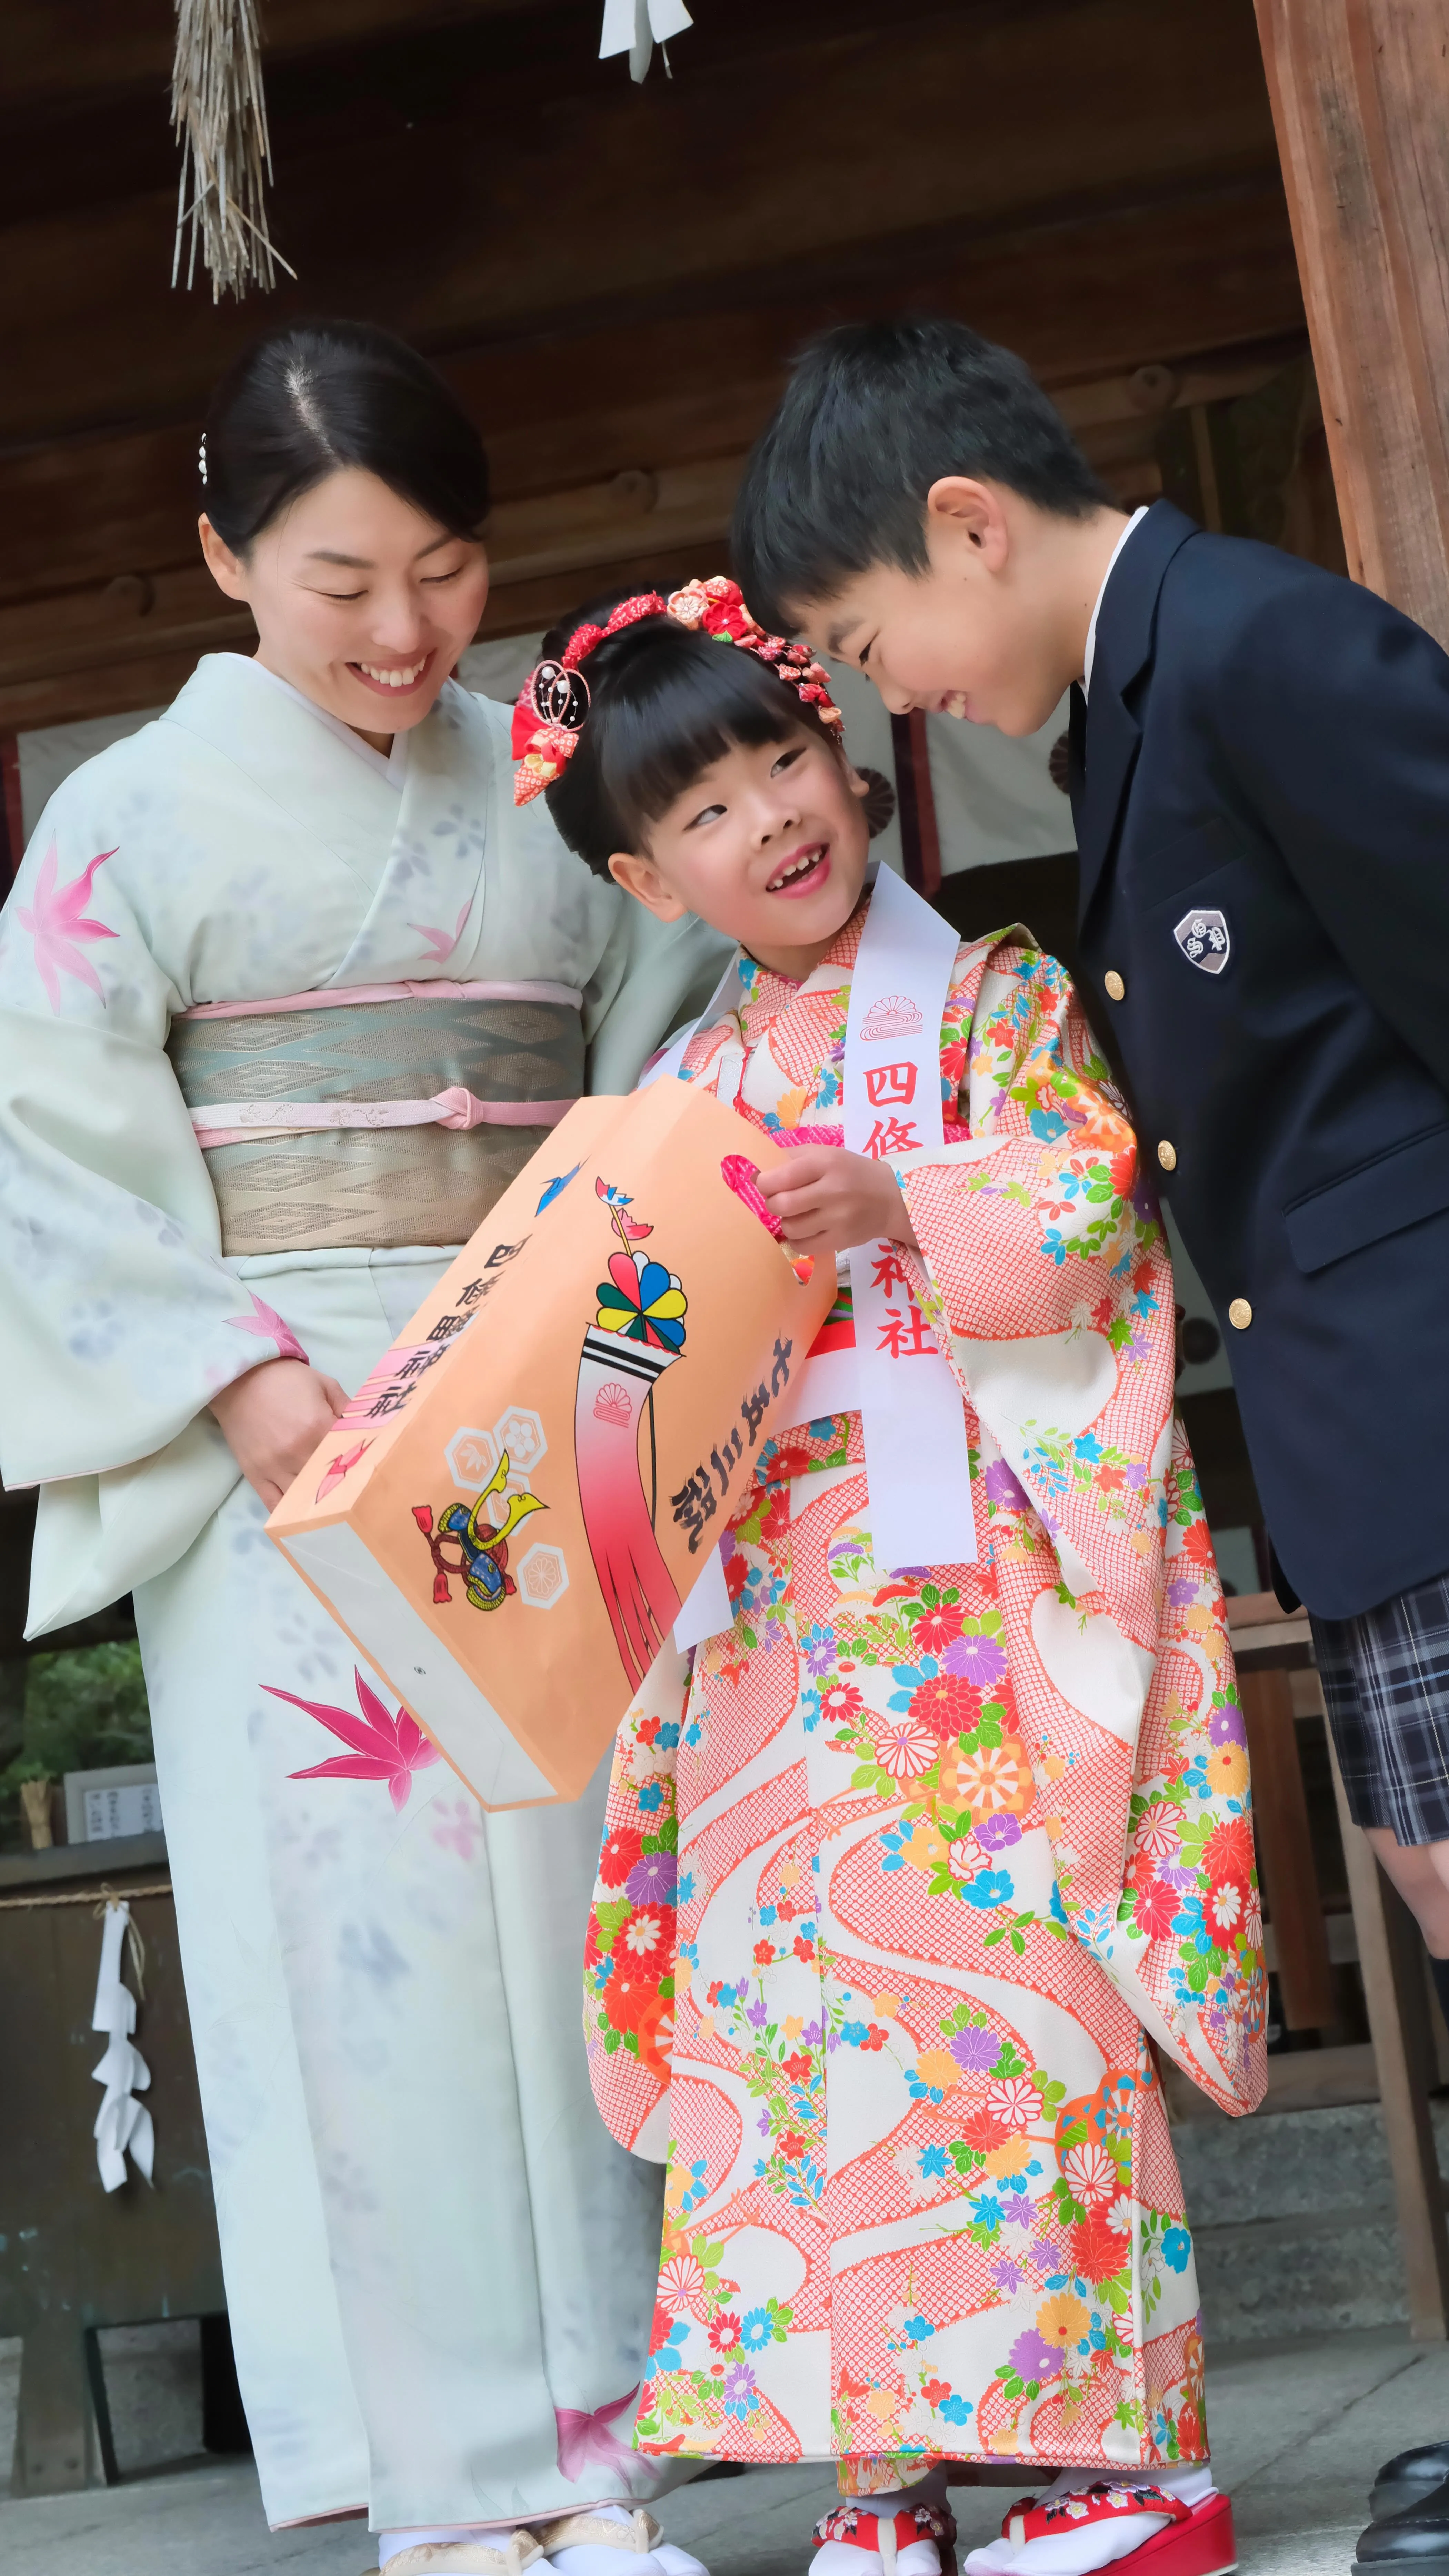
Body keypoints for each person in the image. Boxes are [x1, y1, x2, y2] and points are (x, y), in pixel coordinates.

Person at [0, 320, 730, 2576]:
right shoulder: (124, 819)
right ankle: (440, 2483)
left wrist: (602, 1326)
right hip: (283, 1434)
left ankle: (607, 2445)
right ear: (224, 556)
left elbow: (671, 1046)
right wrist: (233, 1375)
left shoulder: (547, 779)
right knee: (361, 1936)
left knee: (586, 1897)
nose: (405, 630)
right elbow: (39, 1140)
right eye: (339, 580)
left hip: (543, 1404)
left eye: (443, 568)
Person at [728, 308, 1449, 2576]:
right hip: (1359, 1411)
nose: (894, 700)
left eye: (872, 645)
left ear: (965, 526)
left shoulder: (1253, 644)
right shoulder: (1141, 693)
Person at [517, 573, 1266, 2576]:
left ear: (841, 756)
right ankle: (881, 2480)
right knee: (790, 2027)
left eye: (781, 760)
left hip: (974, 1600)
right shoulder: (678, 1089)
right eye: (702, 812)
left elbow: (1089, 1207)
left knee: (1017, 1997)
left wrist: (905, 1199)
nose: (770, 816)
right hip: (771, 1621)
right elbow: (630, 1369)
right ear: (647, 880)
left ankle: (1128, 2472)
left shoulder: (995, 998)